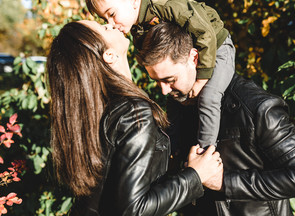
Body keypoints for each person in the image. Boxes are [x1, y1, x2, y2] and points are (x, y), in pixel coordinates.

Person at [136, 22, 295, 216]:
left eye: (170, 80)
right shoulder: (180, 105)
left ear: (194, 58)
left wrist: (223, 181)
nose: (164, 90)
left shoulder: (257, 107)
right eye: (157, 81)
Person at [46, 20, 224, 216]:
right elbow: (133, 210)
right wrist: (196, 176)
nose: (111, 24)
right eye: (104, 28)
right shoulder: (132, 112)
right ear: (109, 55)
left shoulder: (93, 111)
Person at [84, 0, 236, 151]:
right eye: (105, 19)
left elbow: (204, 32)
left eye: (111, 14)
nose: (110, 24)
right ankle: (172, 151)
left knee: (208, 97)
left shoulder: (164, 6)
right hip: (191, 58)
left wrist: (202, 78)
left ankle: (205, 151)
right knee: (173, 103)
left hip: (217, 48)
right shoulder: (138, 31)